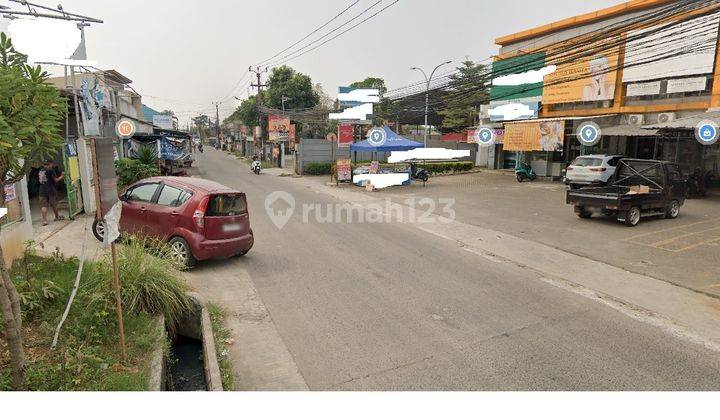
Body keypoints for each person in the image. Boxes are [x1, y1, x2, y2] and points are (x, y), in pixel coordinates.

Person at [38, 160, 65, 226]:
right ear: (50, 164)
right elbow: (56, 180)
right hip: (50, 190)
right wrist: (62, 176)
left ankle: (44, 221)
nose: (52, 165)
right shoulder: (50, 170)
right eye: (52, 164)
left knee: (44, 206)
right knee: (54, 204)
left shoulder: (40, 171)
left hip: (42, 190)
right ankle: (57, 217)